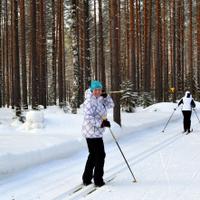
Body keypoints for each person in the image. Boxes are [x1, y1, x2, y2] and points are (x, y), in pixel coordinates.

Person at [82, 80, 114, 187]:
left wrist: (106, 96)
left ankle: (86, 178)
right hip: (91, 132)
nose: (97, 92)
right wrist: (102, 123)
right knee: (100, 155)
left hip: (97, 132)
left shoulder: (100, 99)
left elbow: (111, 105)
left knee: (93, 155)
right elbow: (88, 117)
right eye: (95, 90)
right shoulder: (89, 102)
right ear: (92, 90)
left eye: (99, 90)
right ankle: (98, 180)